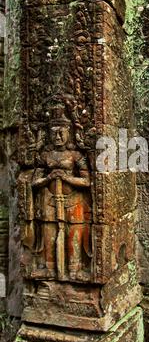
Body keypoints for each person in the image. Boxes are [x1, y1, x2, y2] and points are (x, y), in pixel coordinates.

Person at [30, 108, 92, 280]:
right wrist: (49, 177)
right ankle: (50, 269)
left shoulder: (76, 155)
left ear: (69, 133)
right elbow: (34, 182)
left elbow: (87, 181)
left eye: (61, 133)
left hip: (73, 200)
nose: (57, 137)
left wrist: (67, 178)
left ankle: (74, 269)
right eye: (54, 134)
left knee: (74, 235)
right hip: (49, 200)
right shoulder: (45, 155)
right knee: (49, 234)